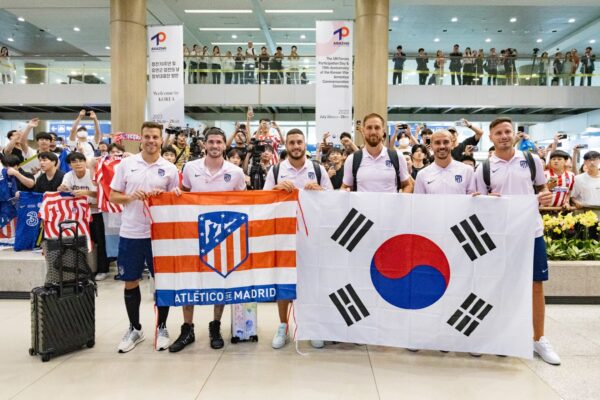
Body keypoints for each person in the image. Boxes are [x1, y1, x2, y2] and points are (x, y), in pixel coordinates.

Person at [473, 117, 560, 366]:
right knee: (496, 285)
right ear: (491, 137)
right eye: (498, 132)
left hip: (530, 232)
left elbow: (542, 189)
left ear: (514, 134)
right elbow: (480, 200)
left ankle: (538, 338)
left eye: (507, 131)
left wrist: (544, 197)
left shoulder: (532, 161)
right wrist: (486, 198)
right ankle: (494, 336)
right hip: (500, 236)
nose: (503, 136)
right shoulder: (485, 169)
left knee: (535, 285)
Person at [168, 127, 247, 353]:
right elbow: (183, 192)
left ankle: (215, 325)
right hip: (193, 233)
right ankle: (188, 328)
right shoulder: (191, 168)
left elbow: (244, 201)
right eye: (210, 142)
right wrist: (177, 194)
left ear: (224, 145)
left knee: (220, 280)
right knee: (189, 279)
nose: (214, 146)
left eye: (218, 142)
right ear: (204, 144)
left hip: (223, 236)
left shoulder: (236, 171)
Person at [109, 121, 179, 353]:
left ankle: (162, 327)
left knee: (163, 281)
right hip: (131, 233)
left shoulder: (169, 169)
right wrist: (129, 196)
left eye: (155, 137)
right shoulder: (126, 165)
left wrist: (165, 196)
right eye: (147, 137)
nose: (151, 141)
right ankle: (135, 328)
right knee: (131, 280)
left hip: (160, 235)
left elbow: (177, 201)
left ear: (161, 140)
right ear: (141, 138)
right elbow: (112, 196)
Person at [263, 128, 333, 350]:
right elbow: (263, 200)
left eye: (299, 142)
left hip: (312, 235)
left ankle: (312, 325)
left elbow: (333, 201)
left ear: (305, 145)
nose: (295, 146)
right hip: (284, 234)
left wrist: (320, 190)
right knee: (284, 281)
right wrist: (275, 189)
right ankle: (283, 325)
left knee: (312, 281)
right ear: (286, 145)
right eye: (291, 142)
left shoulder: (317, 169)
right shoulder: (276, 170)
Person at [58, 151, 109, 281]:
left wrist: (86, 193)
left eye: (80, 160)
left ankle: (103, 269)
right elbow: (64, 191)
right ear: (69, 165)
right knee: (80, 241)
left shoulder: (92, 174)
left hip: (95, 213)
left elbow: (102, 195)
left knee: (100, 241)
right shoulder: (68, 176)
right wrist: (62, 188)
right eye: (74, 162)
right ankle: (83, 269)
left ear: (85, 162)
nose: (78, 163)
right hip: (78, 215)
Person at [341, 113, 412, 193]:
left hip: (390, 205)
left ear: (383, 131)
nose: (373, 132)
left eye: (377, 127)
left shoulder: (397, 157)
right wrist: (344, 191)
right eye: (369, 128)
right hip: (361, 205)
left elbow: (407, 185)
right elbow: (345, 186)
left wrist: (400, 202)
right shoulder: (352, 159)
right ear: (363, 130)